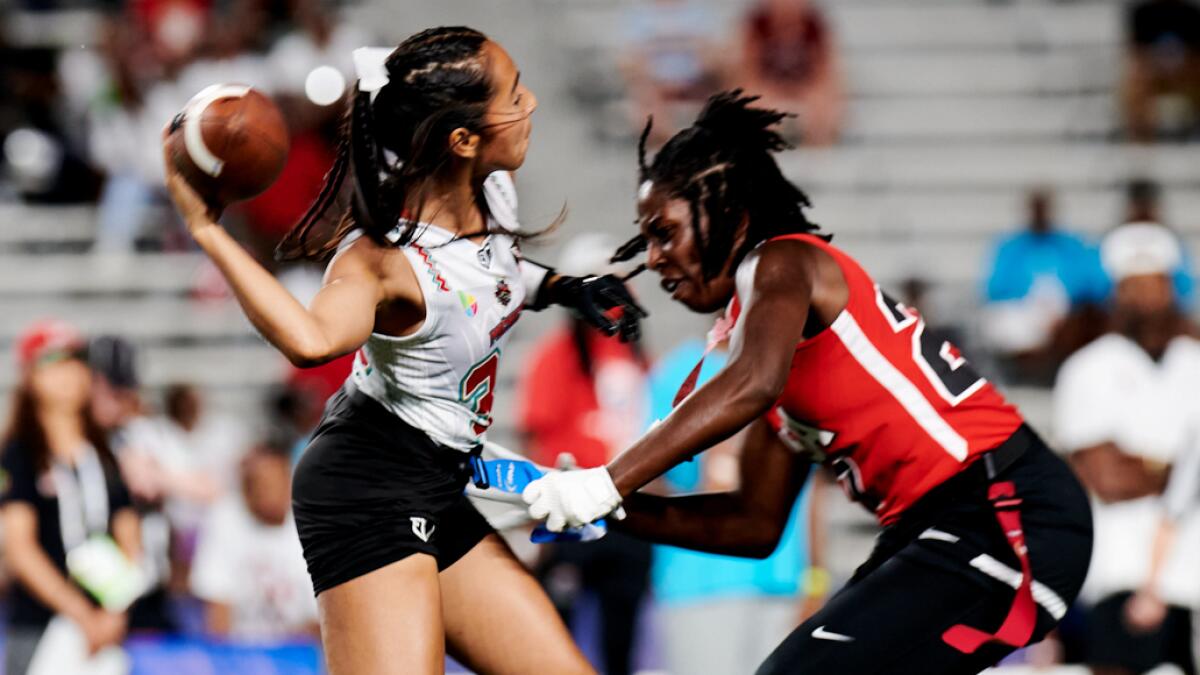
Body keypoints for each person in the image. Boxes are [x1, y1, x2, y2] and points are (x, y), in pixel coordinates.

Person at [522, 91, 1094, 675]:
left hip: (1004, 510)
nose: (653, 257)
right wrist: (602, 510)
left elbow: (753, 382)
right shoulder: (771, 344)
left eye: (664, 232)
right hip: (941, 525)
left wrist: (607, 482)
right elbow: (754, 524)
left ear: (728, 211)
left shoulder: (781, 262)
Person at [161, 26, 644, 675]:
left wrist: (562, 286)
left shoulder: (490, 192)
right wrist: (206, 229)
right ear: (463, 139)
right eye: (514, 95)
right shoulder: (382, 260)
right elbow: (310, 341)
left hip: (437, 481)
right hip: (368, 485)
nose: (531, 104)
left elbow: (492, 275)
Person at [1054, 223, 1200, 675]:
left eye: (1154, 283)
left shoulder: (1193, 363)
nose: (1145, 298)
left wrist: (1145, 462)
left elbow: (1125, 468)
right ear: (1116, 290)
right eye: (1133, 286)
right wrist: (1186, 471)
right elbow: (1105, 476)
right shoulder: (1088, 368)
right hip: (1120, 568)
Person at [517, 234, 653, 675]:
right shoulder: (553, 359)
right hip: (571, 517)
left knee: (622, 645)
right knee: (558, 640)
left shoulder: (635, 356)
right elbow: (536, 442)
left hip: (625, 515)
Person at [647, 335, 820, 675]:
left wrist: (815, 579)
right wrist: (698, 459)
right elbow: (640, 476)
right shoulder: (679, 372)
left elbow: (812, 492)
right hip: (699, 583)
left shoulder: (794, 368)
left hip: (782, 584)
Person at [1, 320, 141, 675]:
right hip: (42, 623)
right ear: (32, 376)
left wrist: (113, 611)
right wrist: (81, 613)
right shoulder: (19, 455)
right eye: (56, 362)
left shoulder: (106, 452)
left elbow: (128, 531)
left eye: (77, 360)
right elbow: (21, 548)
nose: (70, 373)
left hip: (104, 627)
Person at [190, 442, 317, 642]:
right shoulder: (225, 519)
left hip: (298, 653)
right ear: (245, 491)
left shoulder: (313, 524)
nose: (271, 493)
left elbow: (322, 620)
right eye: (261, 485)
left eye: (278, 483)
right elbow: (217, 614)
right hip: (241, 653)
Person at [980, 188, 1108, 384]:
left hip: (1066, 315)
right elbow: (994, 288)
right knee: (1003, 324)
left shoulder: (1071, 244)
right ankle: (1029, 373)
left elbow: (1091, 284)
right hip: (1023, 312)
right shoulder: (1010, 247)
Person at [736, 0, 844, 146]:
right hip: (768, 85)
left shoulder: (813, 25)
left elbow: (823, 69)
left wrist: (815, 93)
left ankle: (819, 157)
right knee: (754, 101)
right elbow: (748, 69)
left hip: (805, 85)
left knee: (823, 102)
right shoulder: (758, 24)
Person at [1122, 0, 1200, 142]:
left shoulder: (1190, 13)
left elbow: (1196, 53)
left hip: (1186, 74)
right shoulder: (1142, 14)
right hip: (1153, 74)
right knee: (1135, 85)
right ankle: (1141, 141)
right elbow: (1137, 54)